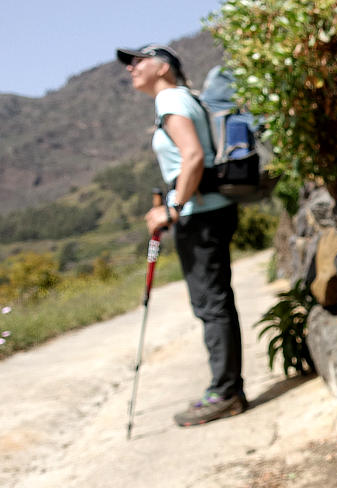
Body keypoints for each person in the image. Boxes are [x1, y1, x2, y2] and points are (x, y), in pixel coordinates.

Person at [116, 44, 247, 426]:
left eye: (137, 61)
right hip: (209, 209)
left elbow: (192, 157)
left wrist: (172, 207)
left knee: (211, 305)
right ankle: (227, 388)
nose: (131, 69)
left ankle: (226, 392)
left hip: (199, 215)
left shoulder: (170, 99)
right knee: (216, 302)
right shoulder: (182, 98)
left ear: (162, 67)